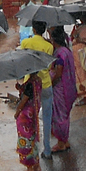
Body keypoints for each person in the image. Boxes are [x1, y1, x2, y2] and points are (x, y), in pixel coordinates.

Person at [20, 20, 55, 159]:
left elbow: (22, 62)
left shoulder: (26, 44)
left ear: (33, 29)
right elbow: (48, 67)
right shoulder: (49, 46)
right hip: (45, 84)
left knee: (30, 120)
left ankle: (32, 151)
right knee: (47, 118)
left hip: (30, 85)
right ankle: (47, 149)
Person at [48, 26, 76, 153]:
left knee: (59, 116)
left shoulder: (59, 54)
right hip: (69, 87)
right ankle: (65, 140)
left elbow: (59, 73)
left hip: (61, 88)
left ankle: (61, 142)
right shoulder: (67, 51)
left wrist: (51, 83)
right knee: (65, 114)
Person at [14, 73, 41, 171]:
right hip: (33, 115)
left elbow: (24, 100)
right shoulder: (38, 81)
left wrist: (17, 112)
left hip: (25, 117)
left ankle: (29, 170)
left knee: (26, 140)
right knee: (33, 138)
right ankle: (36, 164)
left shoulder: (30, 84)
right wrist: (21, 88)